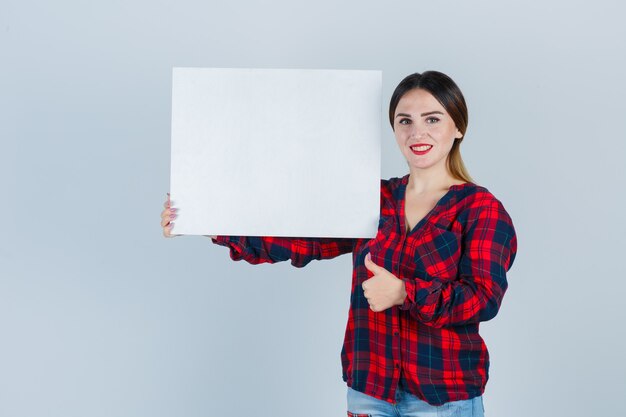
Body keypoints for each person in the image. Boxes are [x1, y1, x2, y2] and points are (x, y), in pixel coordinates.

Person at [160, 70, 517, 417]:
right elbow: (302, 241)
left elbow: (482, 298)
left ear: (458, 127)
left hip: (443, 399)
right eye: (404, 120)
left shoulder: (479, 209)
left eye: (432, 119)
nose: (417, 131)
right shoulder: (374, 198)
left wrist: (404, 293)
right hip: (370, 392)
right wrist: (206, 220)